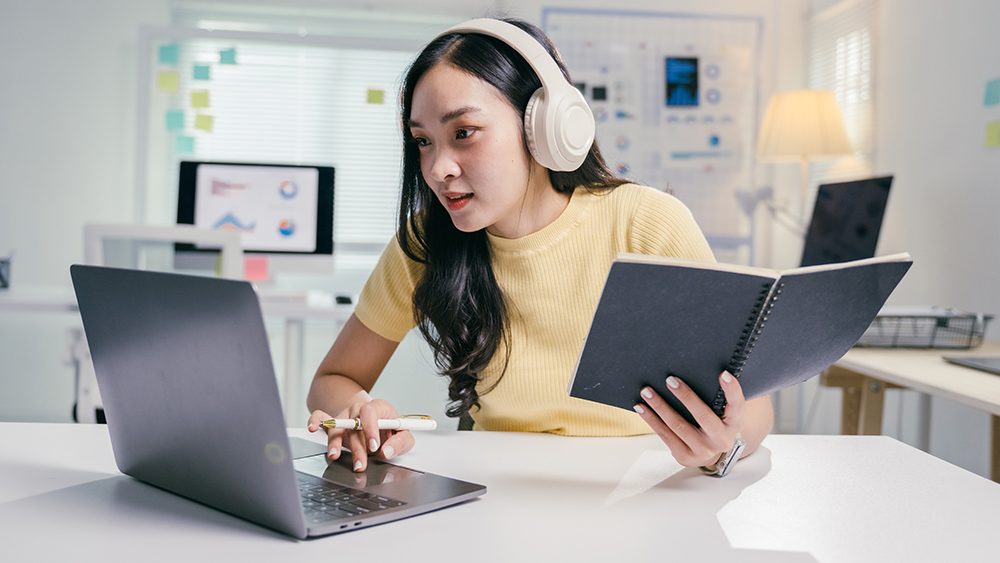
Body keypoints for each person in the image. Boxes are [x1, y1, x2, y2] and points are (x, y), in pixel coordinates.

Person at [307, 17, 773, 473]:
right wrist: (357, 411)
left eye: (463, 134)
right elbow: (333, 381)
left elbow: (751, 405)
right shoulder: (426, 241)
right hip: (498, 496)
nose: (437, 168)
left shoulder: (645, 224)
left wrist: (720, 449)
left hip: (639, 489)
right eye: (423, 142)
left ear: (543, 126)